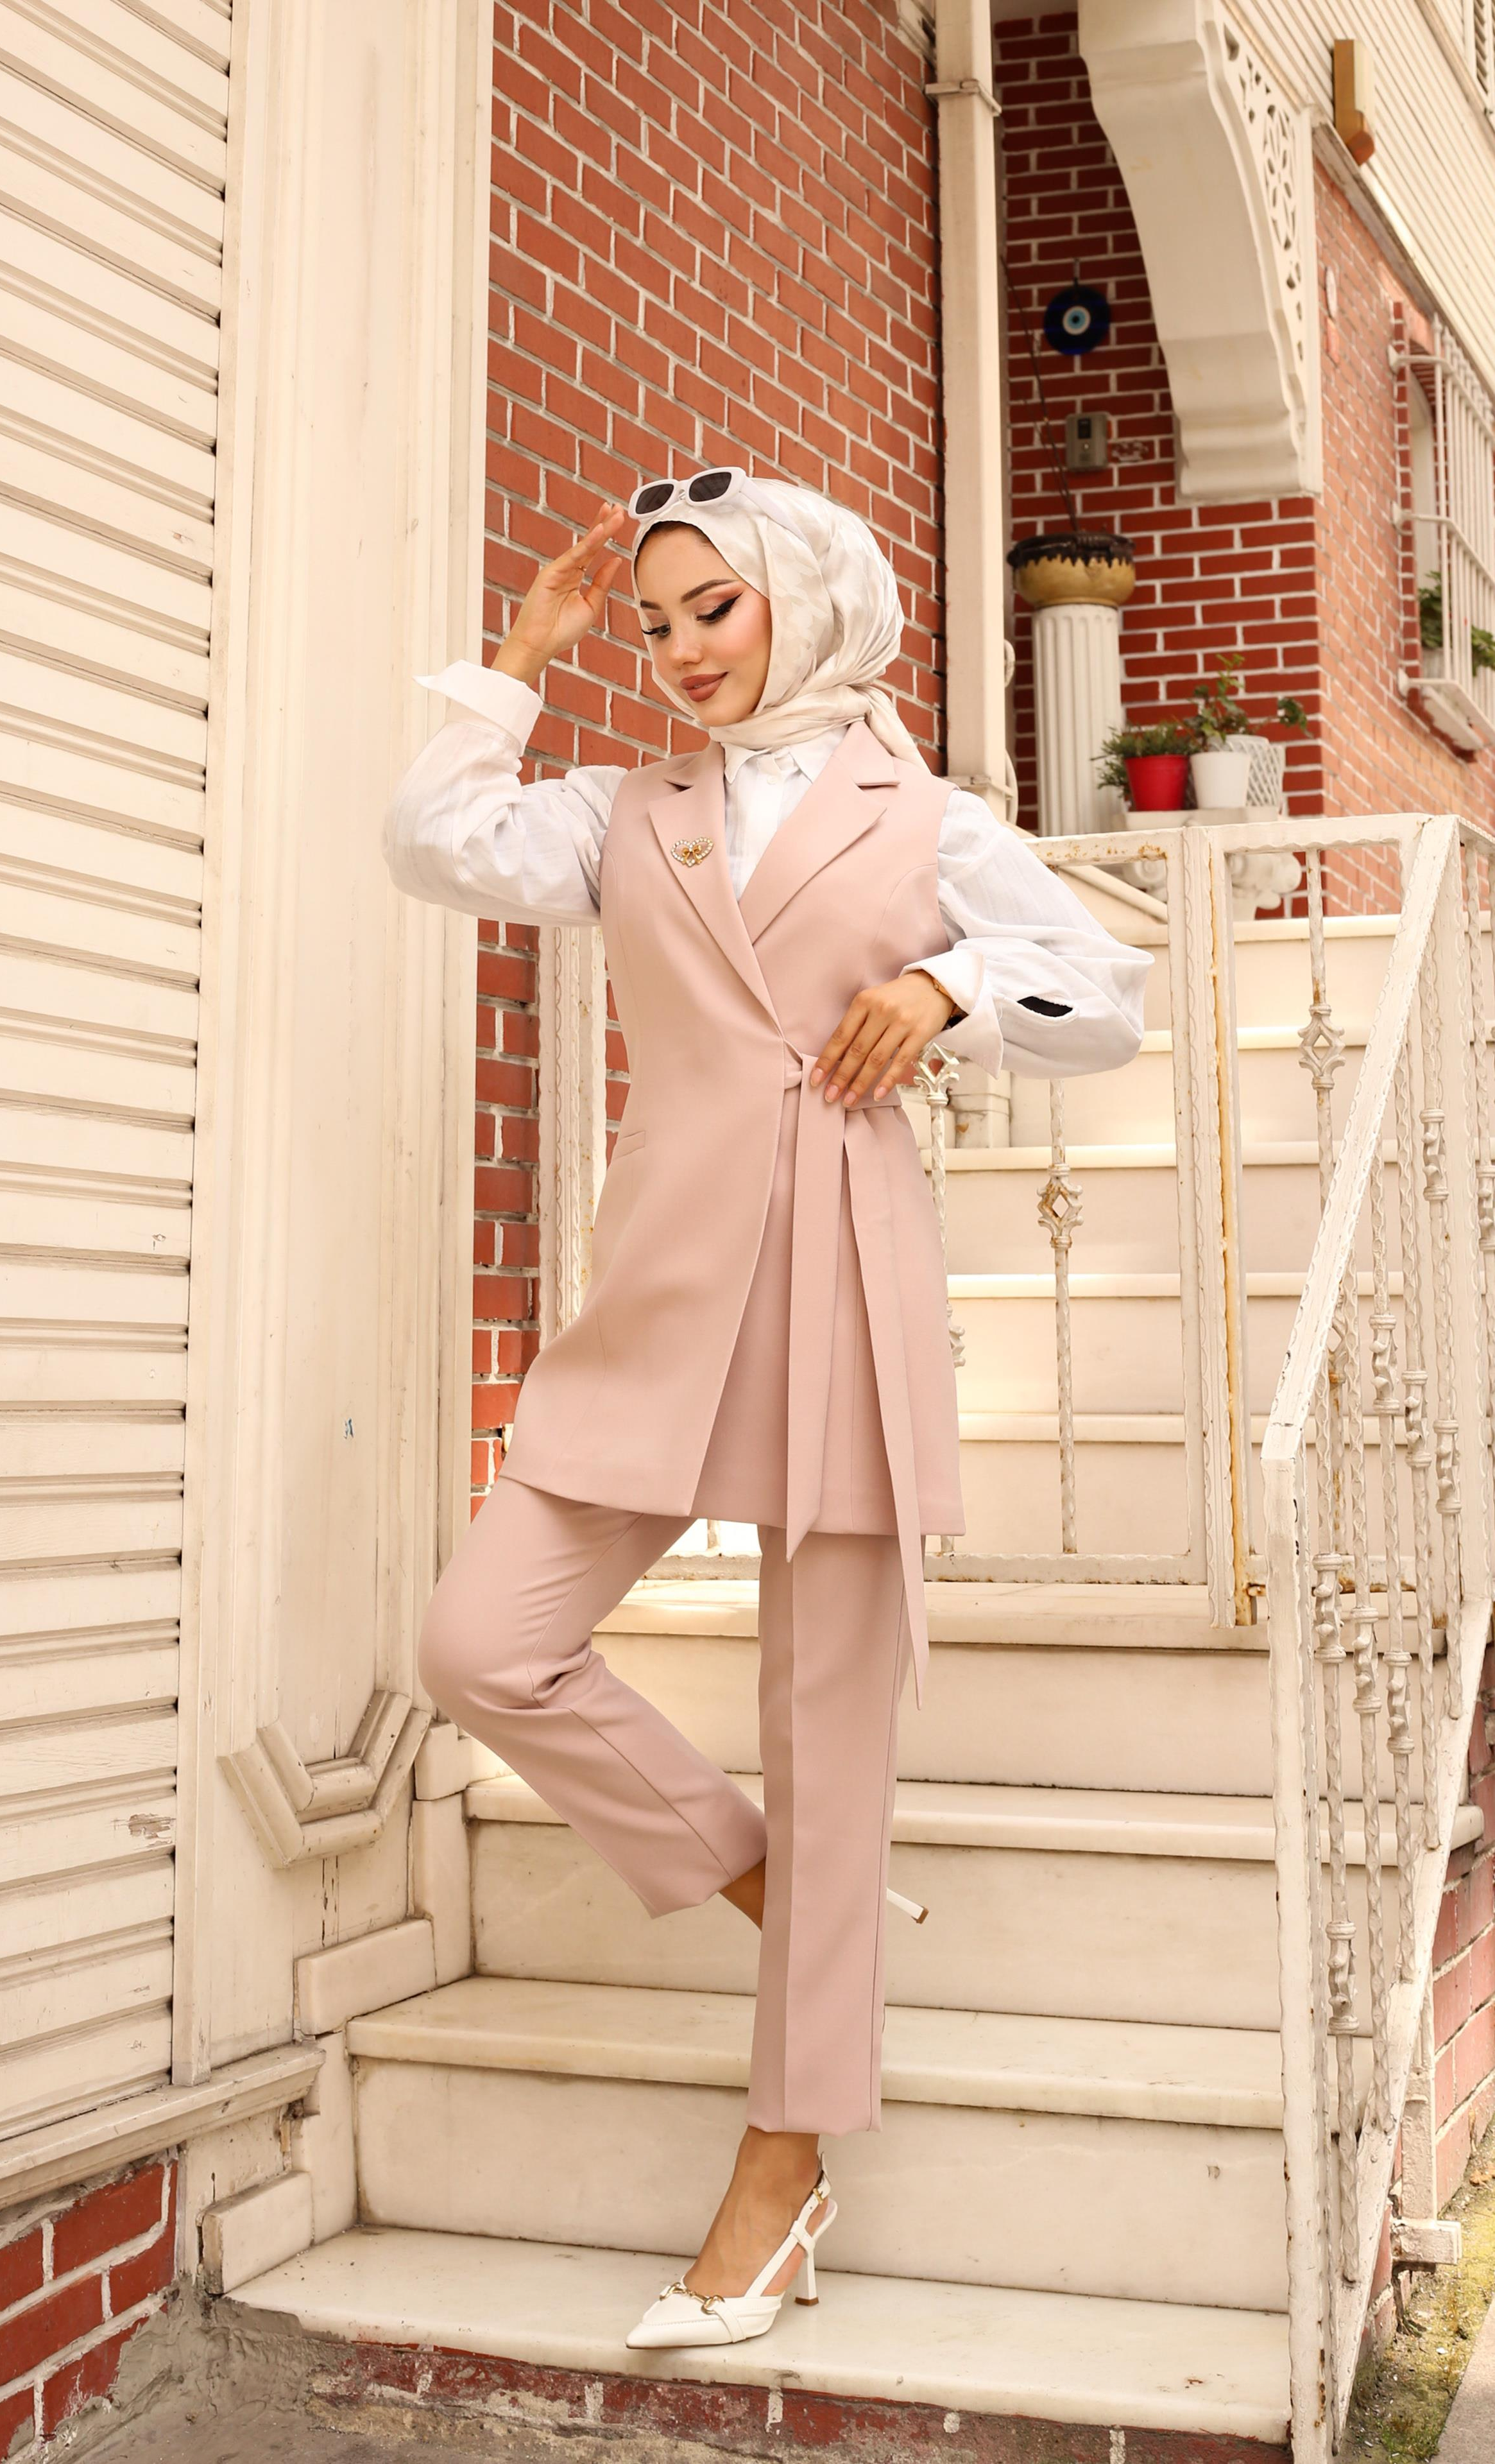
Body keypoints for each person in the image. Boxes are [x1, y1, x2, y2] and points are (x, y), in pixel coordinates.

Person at [384, 469, 1151, 2350]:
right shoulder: (622, 811)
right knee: (484, 1644)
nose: (677, 653)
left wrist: (954, 987)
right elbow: (434, 841)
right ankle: (781, 1885)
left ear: (805, 602)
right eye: (653, 623)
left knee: (831, 1736)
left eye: (709, 611)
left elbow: (1109, 997)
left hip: (844, 1279)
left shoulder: (931, 819)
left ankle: (782, 2171)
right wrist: (521, 661)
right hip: (662, 1284)